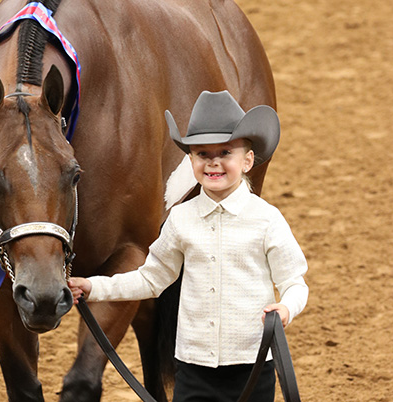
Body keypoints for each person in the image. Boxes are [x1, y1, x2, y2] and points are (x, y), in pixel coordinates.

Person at [68, 90, 309, 402]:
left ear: (248, 160)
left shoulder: (267, 219)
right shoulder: (180, 219)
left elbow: (294, 283)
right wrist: (93, 287)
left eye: (225, 153)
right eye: (202, 154)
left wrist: (286, 307)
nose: (214, 163)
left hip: (252, 366)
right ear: (190, 159)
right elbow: (151, 279)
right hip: (193, 370)